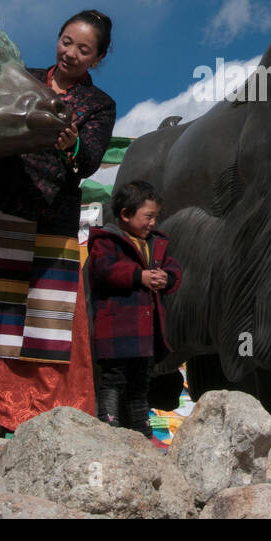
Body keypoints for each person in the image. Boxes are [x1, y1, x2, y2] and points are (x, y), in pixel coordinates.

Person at [0, 10, 116, 437]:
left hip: (51, 223)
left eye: (83, 50)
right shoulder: (21, 76)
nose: (71, 53)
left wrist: (72, 147)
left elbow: (87, 163)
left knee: (43, 325)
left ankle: (39, 417)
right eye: (67, 41)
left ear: (98, 59)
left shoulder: (99, 105)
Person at [87, 180, 182, 439]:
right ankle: (109, 426)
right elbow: (103, 271)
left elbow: (174, 268)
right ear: (126, 214)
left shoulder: (156, 243)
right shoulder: (106, 242)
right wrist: (138, 276)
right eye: (148, 216)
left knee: (141, 385)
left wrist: (167, 278)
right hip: (117, 329)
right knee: (114, 379)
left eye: (155, 217)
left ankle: (141, 431)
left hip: (146, 333)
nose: (153, 223)